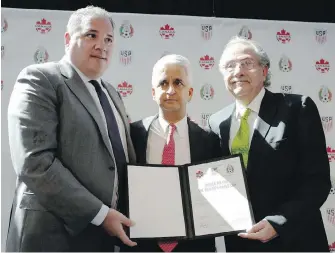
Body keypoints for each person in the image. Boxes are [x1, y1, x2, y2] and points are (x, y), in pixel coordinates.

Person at [6, 6, 137, 252]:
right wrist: (100, 214)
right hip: (52, 237)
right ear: (68, 39)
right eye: (91, 35)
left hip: (104, 240)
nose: (102, 45)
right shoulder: (41, 79)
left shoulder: (112, 94)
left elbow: (119, 157)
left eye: (109, 39)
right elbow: (35, 162)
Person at [208, 36, 331, 252]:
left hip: (294, 240)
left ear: (264, 71)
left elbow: (317, 182)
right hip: (241, 243)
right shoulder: (216, 122)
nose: (238, 71)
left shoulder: (297, 108)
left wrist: (278, 223)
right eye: (230, 66)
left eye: (247, 63)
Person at [121, 54, 222, 252]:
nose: (170, 90)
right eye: (163, 83)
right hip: (140, 244)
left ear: (190, 92)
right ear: (153, 92)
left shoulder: (209, 140)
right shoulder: (133, 134)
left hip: (194, 246)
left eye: (178, 83)